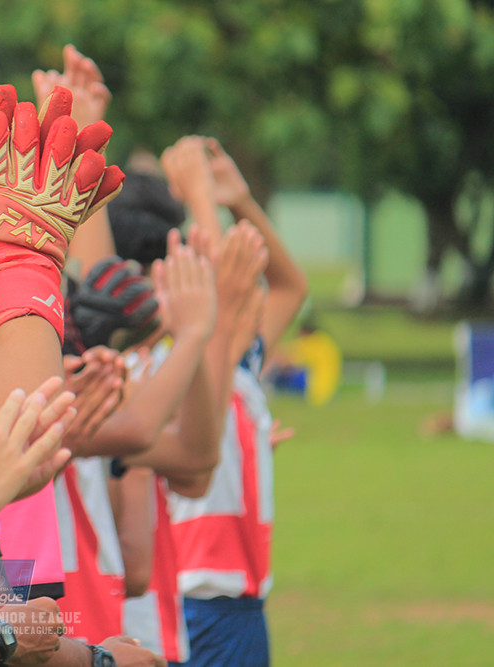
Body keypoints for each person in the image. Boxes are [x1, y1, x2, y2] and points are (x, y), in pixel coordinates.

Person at [160, 136, 308, 666]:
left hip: (238, 606)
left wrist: (236, 200)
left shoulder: (240, 365)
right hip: (202, 602)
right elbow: (230, 283)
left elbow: (290, 286)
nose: (254, 289)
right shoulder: (185, 361)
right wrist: (202, 197)